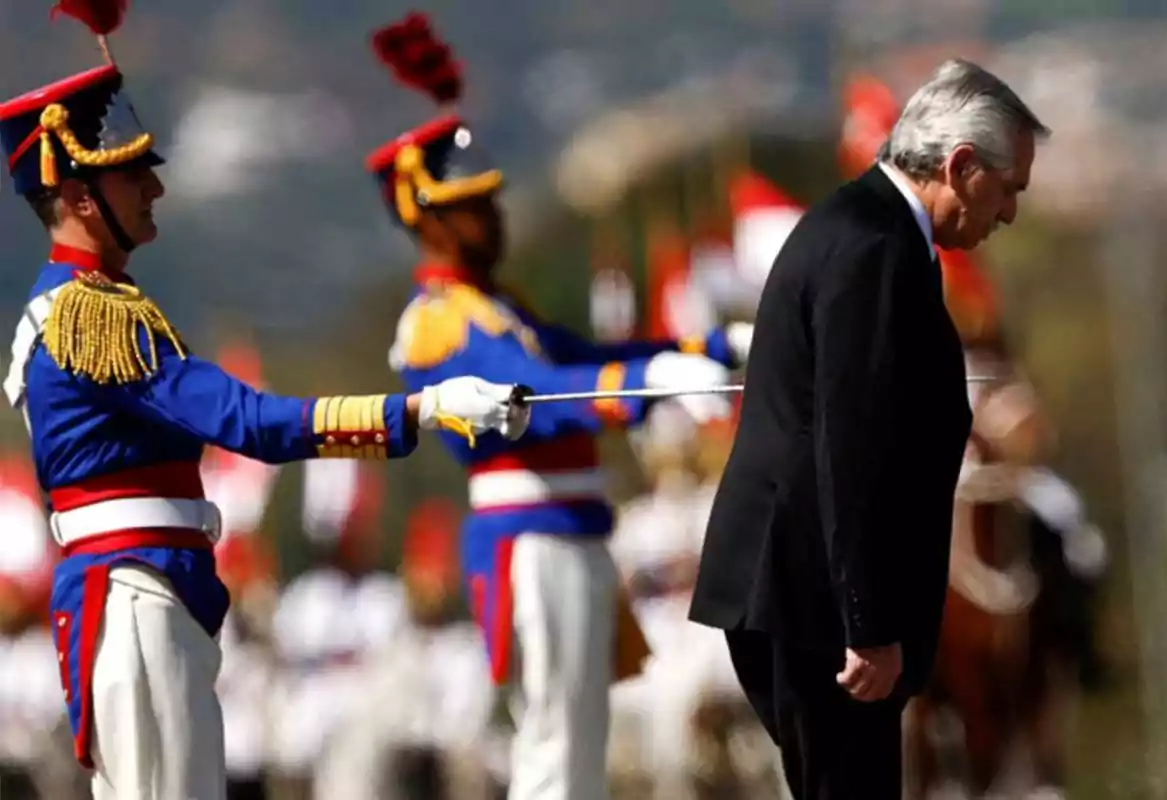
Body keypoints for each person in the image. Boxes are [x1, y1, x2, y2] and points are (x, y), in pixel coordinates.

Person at [0, 7, 532, 799]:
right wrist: (418, 410)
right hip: (134, 590)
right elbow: (247, 422)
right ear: (77, 197)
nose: (155, 186)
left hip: (152, 586)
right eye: (130, 174)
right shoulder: (92, 316)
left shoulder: (100, 305)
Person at [364, 12, 752, 799]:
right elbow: (535, 400)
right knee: (551, 742)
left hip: (572, 529)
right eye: (472, 206)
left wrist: (702, 353)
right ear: (425, 217)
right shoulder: (438, 323)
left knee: (581, 743)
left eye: (490, 201)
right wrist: (649, 387)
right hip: (527, 537)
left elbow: (587, 358)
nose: (493, 218)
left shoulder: (500, 308)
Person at [688, 58, 1050, 799]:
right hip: (818, 603)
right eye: (1008, 188)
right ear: (959, 164)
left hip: (805, 590)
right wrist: (869, 624)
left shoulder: (871, 231)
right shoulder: (875, 251)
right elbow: (853, 447)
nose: (1009, 212)